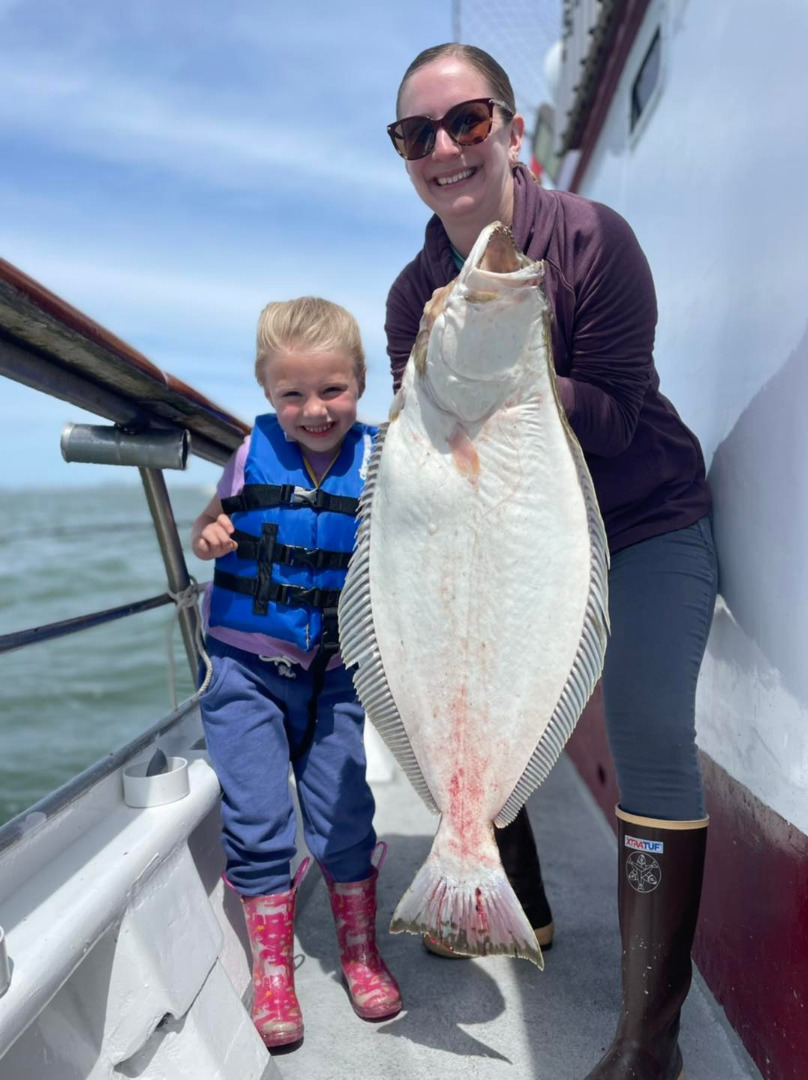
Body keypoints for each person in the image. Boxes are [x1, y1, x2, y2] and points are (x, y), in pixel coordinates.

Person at [384, 43, 717, 1080]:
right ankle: (512, 894)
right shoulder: (412, 296)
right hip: (519, 544)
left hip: (646, 518)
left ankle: (645, 1039)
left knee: (650, 731)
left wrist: (505, 376)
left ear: (514, 130)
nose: (444, 149)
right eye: (416, 134)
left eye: (467, 121)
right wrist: (453, 376)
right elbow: (425, 468)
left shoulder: (590, 240)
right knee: (473, 678)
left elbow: (615, 419)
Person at [190, 296, 401, 1049]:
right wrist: (210, 533)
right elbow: (207, 523)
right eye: (293, 394)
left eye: (333, 390)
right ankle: (274, 973)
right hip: (245, 670)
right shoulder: (251, 455)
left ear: (361, 383)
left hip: (338, 670)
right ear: (266, 392)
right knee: (257, 818)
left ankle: (359, 953)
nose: (315, 409)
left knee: (345, 813)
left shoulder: (382, 459)